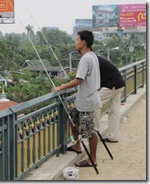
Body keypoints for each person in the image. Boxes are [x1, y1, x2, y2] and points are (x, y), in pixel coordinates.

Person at [52, 30, 101, 167]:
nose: (76, 42)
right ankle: (76, 144)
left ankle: (93, 159)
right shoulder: (92, 56)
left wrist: (61, 87)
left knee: (90, 131)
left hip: (88, 102)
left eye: (77, 40)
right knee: (72, 119)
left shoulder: (86, 59)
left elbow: (78, 80)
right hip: (83, 101)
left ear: (84, 42)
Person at [95, 55, 125, 143]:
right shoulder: (96, 58)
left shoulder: (90, 60)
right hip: (119, 84)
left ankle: (94, 132)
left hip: (112, 85)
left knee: (95, 104)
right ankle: (113, 136)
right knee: (114, 111)